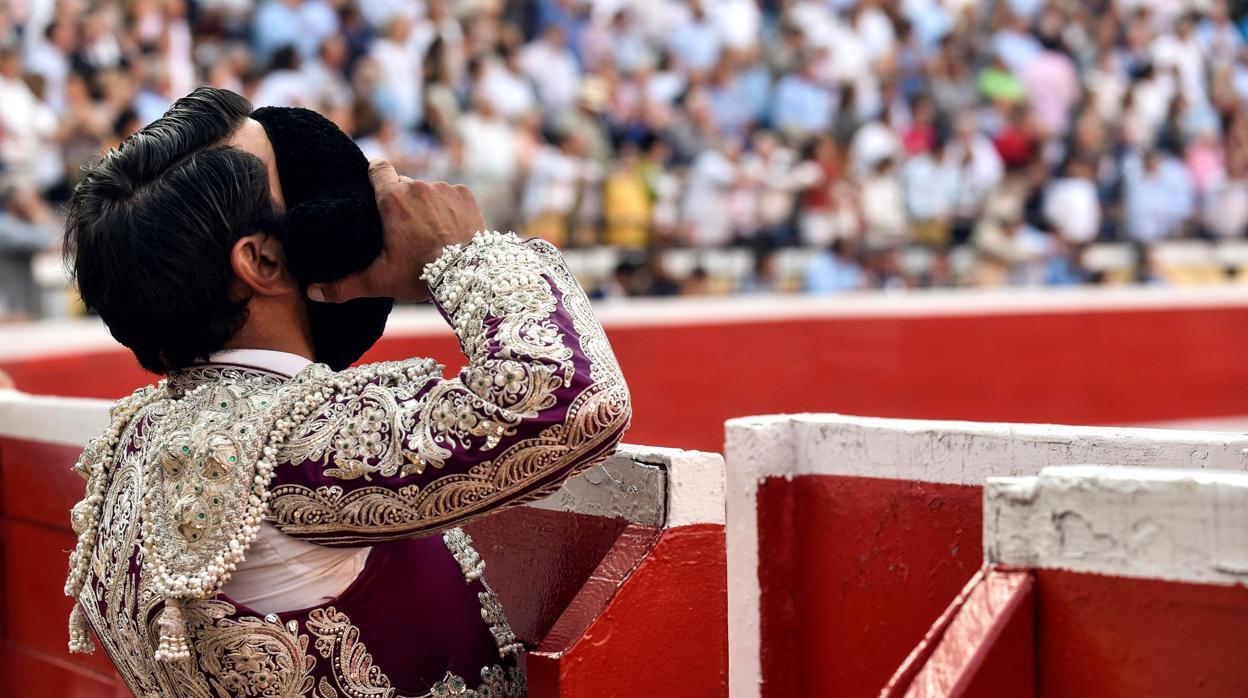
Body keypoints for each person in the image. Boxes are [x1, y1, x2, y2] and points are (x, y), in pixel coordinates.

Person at [61, 88, 631, 696]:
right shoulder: (284, 433)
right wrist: (462, 253)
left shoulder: (133, 439)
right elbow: (573, 401)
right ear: (263, 261)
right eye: (298, 181)